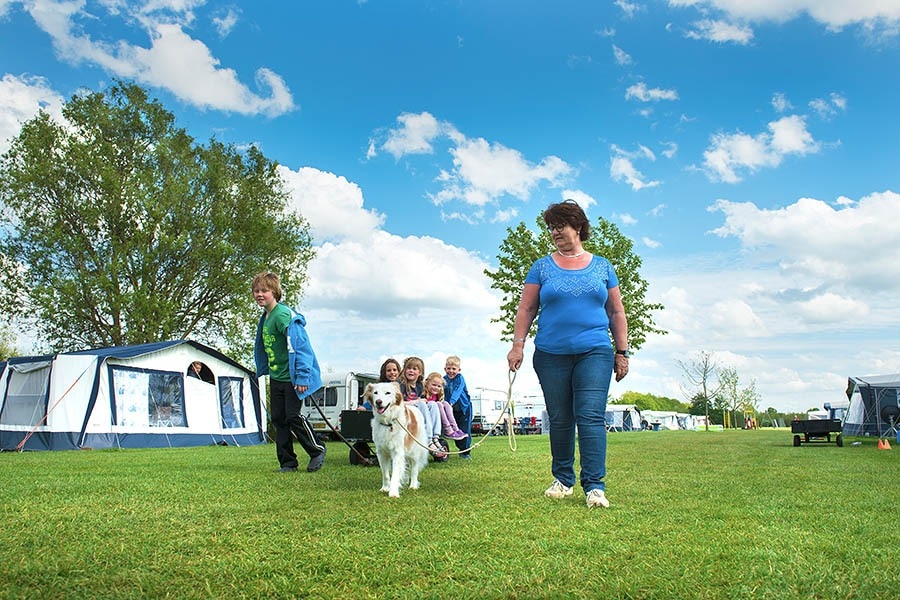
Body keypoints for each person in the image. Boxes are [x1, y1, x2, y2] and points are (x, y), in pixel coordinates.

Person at [506, 200, 629, 509]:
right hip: (551, 354)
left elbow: (616, 312)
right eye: (551, 227)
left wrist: (622, 351)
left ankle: (595, 486)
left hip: (595, 351)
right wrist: (518, 345)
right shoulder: (541, 267)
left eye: (560, 226)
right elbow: (526, 308)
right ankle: (562, 480)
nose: (555, 232)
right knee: (560, 418)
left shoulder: (603, 266)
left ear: (578, 227)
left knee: (590, 416)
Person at [252, 271, 326, 473]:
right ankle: (287, 463)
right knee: (278, 418)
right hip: (277, 376)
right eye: (256, 291)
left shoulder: (282, 315)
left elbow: (301, 346)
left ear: (275, 292)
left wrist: (302, 376)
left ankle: (317, 449)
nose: (260, 294)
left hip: (292, 378)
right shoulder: (266, 316)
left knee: (293, 416)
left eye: (264, 290)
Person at [398, 356, 445, 458]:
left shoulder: (419, 386)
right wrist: (415, 402)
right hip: (406, 414)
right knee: (421, 403)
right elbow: (398, 403)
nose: (411, 371)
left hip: (418, 415)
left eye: (414, 369)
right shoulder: (401, 385)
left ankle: (435, 437)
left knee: (433, 404)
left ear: (420, 372)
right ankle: (428, 440)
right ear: (404, 370)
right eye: (408, 368)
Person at [443, 355, 473, 459]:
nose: (451, 371)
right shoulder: (443, 380)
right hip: (452, 410)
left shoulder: (460, 379)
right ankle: (460, 448)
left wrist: (450, 402)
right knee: (456, 430)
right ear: (445, 369)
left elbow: (457, 391)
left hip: (464, 408)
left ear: (459, 370)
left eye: (454, 369)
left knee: (465, 429)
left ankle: (465, 452)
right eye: (448, 368)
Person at [423, 371, 468, 441]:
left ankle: (455, 428)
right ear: (427, 384)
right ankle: (447, 429)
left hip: (437, 416)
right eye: (434, 385)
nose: (436, 388)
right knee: (438, 404)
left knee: (446, 403)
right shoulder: (423, 394)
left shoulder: (437, 396)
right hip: (428, 416)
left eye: (439, 386)